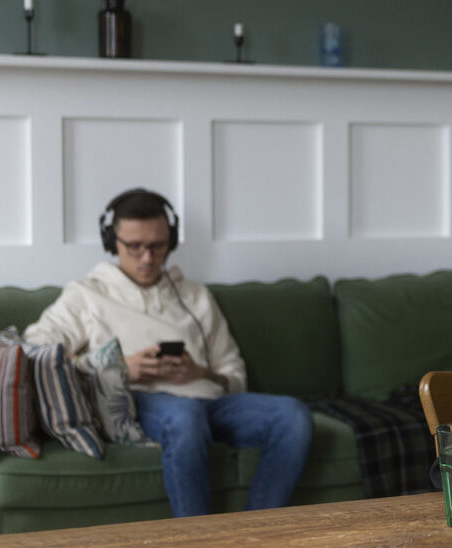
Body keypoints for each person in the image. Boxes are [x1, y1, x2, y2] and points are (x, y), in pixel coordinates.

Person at [25, 188, 313, 517]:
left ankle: (254, 538)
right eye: (134, 247)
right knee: (184, 418)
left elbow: (234, 372)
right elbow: (35, 347)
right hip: (142, 402)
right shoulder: (86, 295)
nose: (147, 258)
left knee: (293, 416)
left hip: (210, 402)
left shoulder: (195, 296)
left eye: (157, 246)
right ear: (111, 242)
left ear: (171, 241)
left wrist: (200, 373)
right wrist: (118, 370)